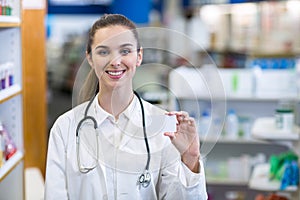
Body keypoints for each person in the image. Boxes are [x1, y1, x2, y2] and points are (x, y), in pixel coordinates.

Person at [44, 14, 207, 200]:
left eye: (125, 51)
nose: (115, 61)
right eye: (103, 52)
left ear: (139, 56)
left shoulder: (164, 126)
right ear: (90, 58)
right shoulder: (65, 128)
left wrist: (190, 158)